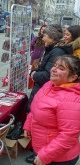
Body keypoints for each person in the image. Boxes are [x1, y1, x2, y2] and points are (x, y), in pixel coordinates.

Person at [26, 24, 72, 164]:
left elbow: (66, 135)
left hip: (58, 158)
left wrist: (34, 74)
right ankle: (36, 151)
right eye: (55, 67)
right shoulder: (52, 50)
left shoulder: (56, 52)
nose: (42, 37)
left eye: (45, 35)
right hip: (40, 90)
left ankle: (37, 153)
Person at [24, 55, 80, 165]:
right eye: (54, 66)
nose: (53, 69)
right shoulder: (49, 85)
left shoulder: (71, 100)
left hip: (58, 158)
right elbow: (36, 107)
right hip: (42, 148)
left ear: (73, 77)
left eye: (61, 68)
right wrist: (28, 124)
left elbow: (68, 136)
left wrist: (45, 155)